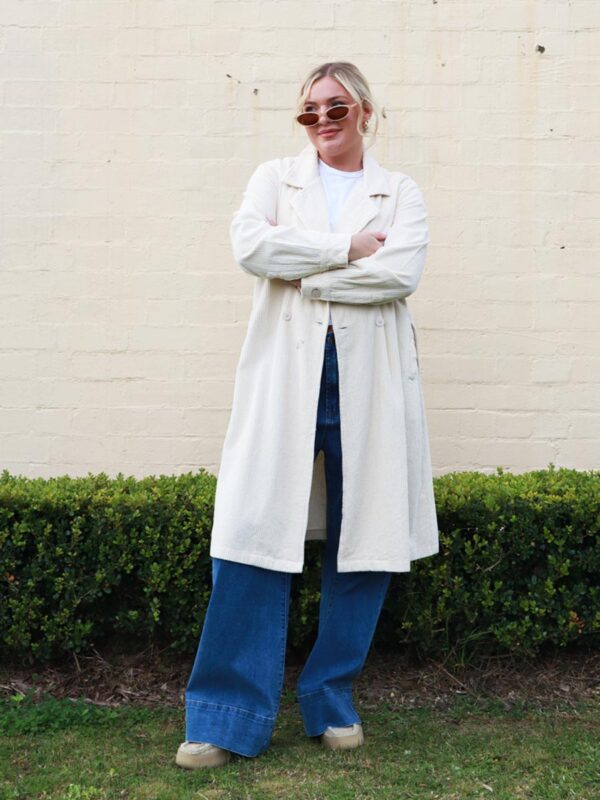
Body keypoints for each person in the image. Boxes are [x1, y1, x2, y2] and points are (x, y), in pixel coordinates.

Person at [176, 61, 439, 770]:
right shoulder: (274, 179)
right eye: (310, 111)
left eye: (337, 107)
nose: (323, 119)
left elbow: (400, 273)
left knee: (366, 539)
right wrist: (345, 250)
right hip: (286, 378)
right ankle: (227, 716)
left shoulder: (399, 191)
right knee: (252, 532)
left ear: (365, 111)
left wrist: (303, 270)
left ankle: (331, 699)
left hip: (368, 383)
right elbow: (250, 247)